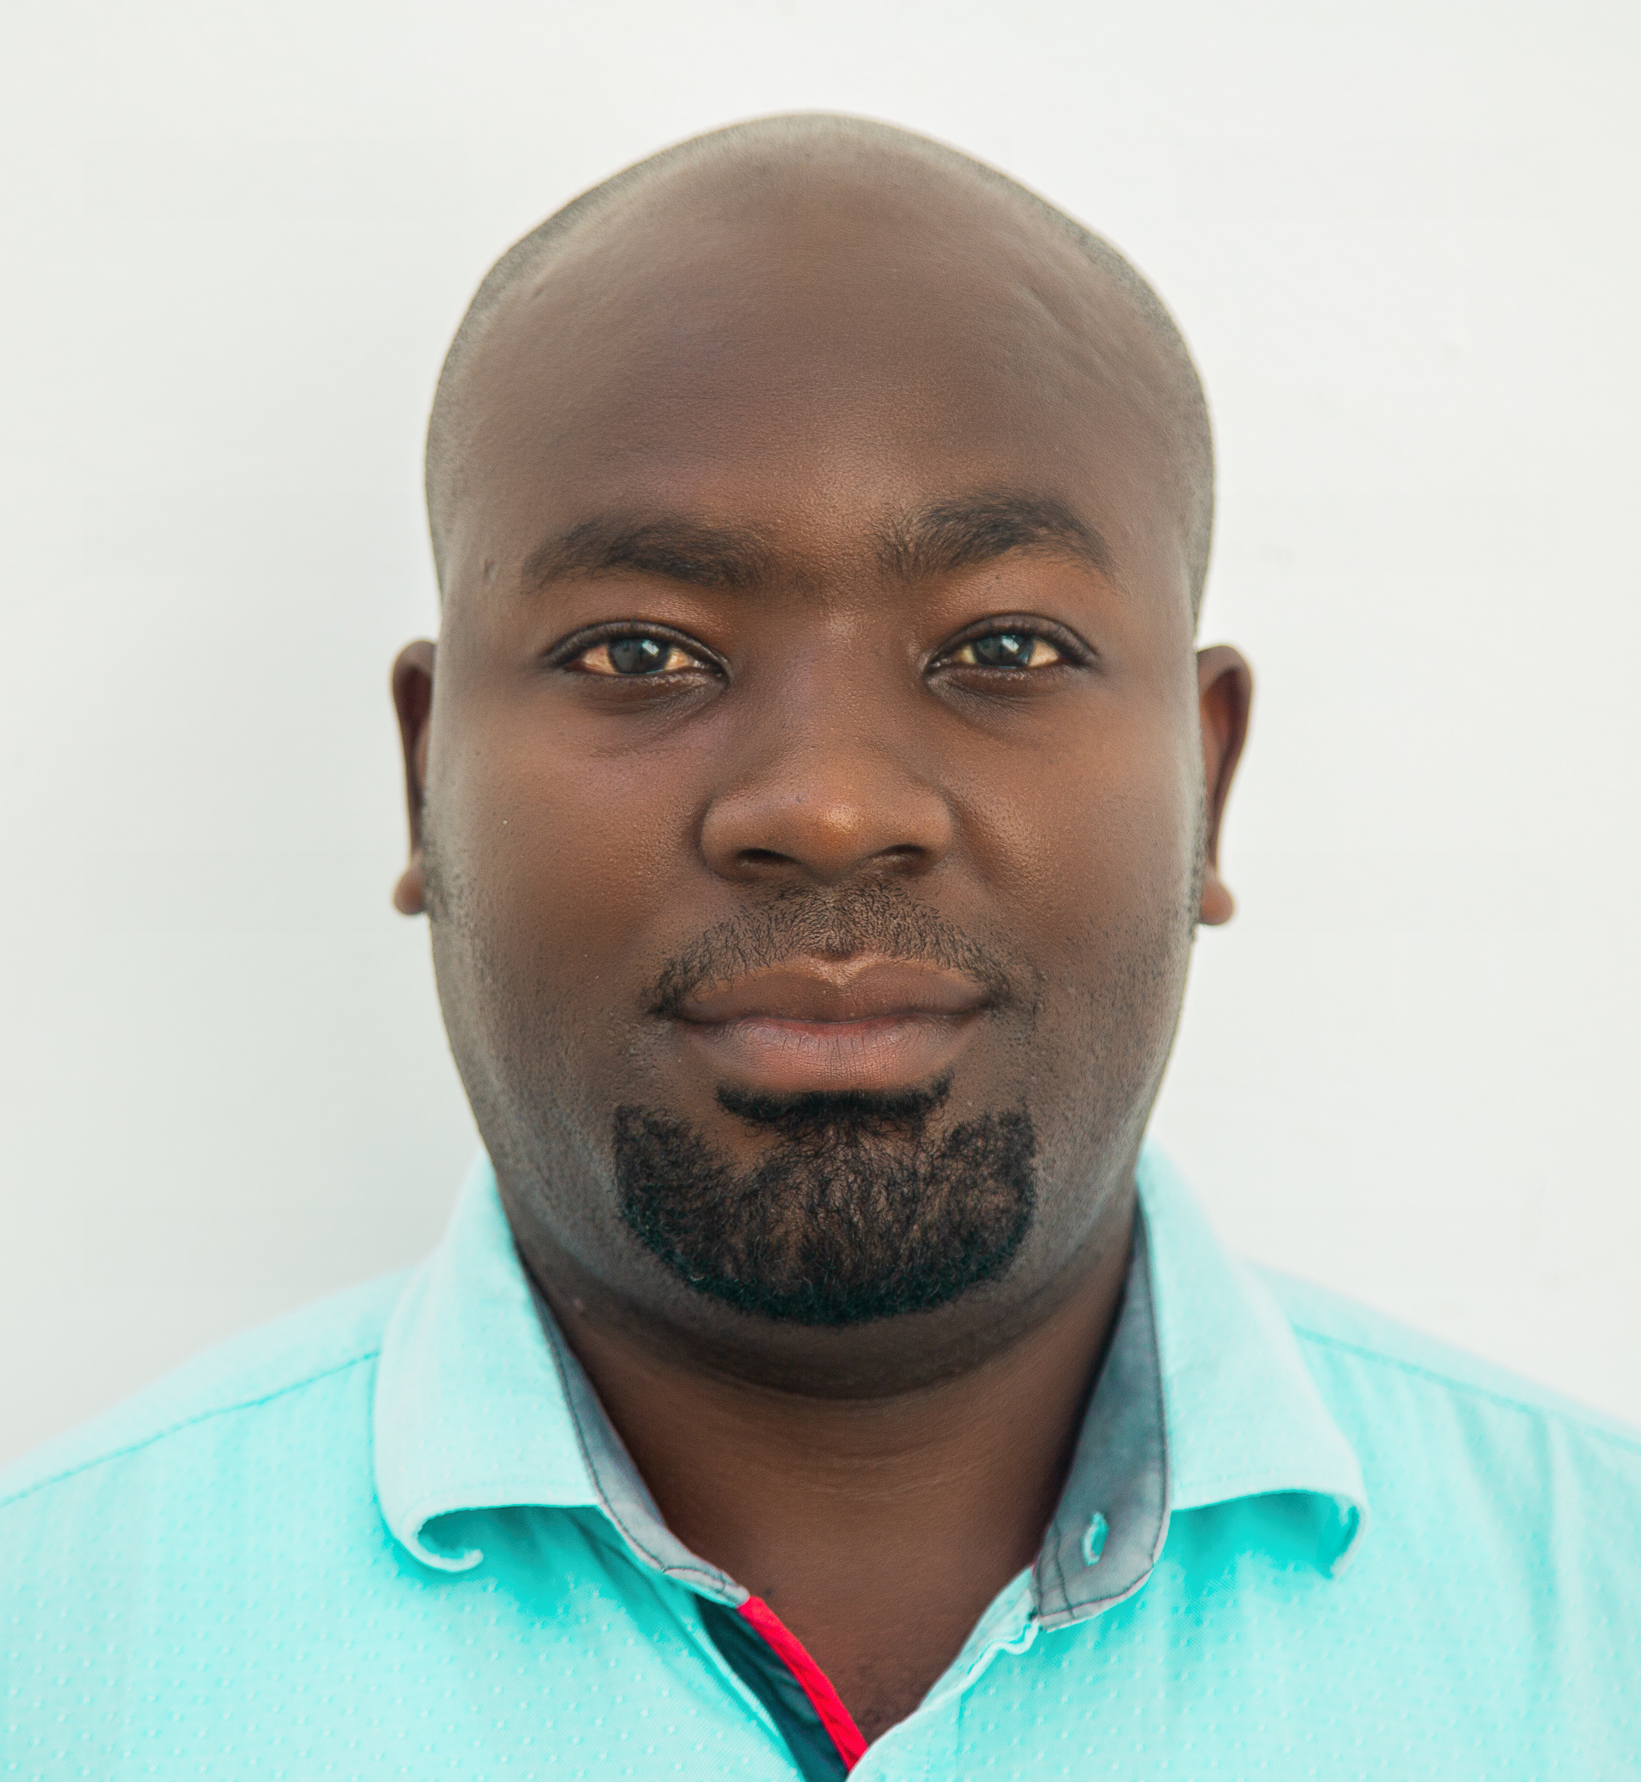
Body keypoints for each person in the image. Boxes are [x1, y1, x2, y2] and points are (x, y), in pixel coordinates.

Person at [3, 115, 1637, 1781]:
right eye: (638, 651)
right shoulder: (46, 1659)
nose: (830, 805)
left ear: (1204, 779)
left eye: (1005, 646)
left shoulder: (1602, 1635)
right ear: (426, 776)